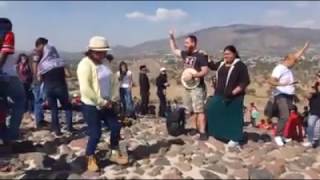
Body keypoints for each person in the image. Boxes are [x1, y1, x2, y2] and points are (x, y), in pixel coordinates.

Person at [77, 36, 128, 172]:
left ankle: (114, 152)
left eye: (104, 51)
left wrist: (112, 98)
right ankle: (90, 156)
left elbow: (112, 81)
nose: (102, 54)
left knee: (116, 127)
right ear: (91, 51)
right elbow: (85, 89)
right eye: (99, 52)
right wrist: (101, 102)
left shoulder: (105, 62)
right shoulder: (84, 64)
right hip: (91, 104)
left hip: (107, 102)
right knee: (95, 133)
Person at [206, 45, 250, 147]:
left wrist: (234, 92)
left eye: (228, 54)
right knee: (211, 109)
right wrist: (207, 58)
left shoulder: (240, 66)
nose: (226, 56)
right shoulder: (222, 63)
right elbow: (212, 66)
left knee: (234, 117)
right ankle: (220, 134)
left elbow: (244, 82)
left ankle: (235, 138)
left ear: (234, 54)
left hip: (235, 97)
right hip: (219, 94)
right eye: (225, 54)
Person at [169, 30, 209, 140]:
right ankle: (195, 129)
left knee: (199, 110)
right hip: (187, 87)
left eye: (187, 43)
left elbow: (205, 71)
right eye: (185, 43)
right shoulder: (185, 54)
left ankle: (202, 132)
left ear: (193, 43)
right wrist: (171, 38)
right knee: (189, 109)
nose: (185, 45)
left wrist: (194, 76)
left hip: (197, 87)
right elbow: (174, 50)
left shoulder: (201, 56)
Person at [268, 42, 309, 146]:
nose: (295, 63)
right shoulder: (279, 68)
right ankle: (278, 135)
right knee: (285, 115)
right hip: (281, 95)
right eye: (294, 62)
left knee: (286, 116)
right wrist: (283, 84)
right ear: (287, 60)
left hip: (289, 96)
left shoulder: (287, 67)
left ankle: (282, 136)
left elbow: (295, 56)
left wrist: (304, 48)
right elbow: (271, 81)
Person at [35, 37, 73, 135]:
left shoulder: (42, 64)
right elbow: (69, 75)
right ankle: (69, 127)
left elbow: (39, 79)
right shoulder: (60, 62)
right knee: (67, 107)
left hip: (49, 88)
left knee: (54, 109)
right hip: (61, 87)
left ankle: (56, 130)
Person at [0, 18, 26, 141]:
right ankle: (12, 133)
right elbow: (5, 53)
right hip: (7, 76)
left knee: (2, 102)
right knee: (20, 101)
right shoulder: (8, 34)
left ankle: (3, 130)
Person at [303, 72, 320, 148]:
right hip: (314, 110)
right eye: (317, 75)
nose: (318, 77)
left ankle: (316, 142)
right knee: (310, 126)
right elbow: (307, 96)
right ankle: (310, 141)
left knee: (317, 128)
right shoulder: (314, 87)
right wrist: (310, 90)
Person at [31, 49, 47, 129]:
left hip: (37, 82)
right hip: (37, 82)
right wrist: (38, 77)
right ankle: (39, 121)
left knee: (39, 101)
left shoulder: (34, 60)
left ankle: (40, 119)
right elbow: (36, 71)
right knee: (38, 101)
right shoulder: (35, 61)